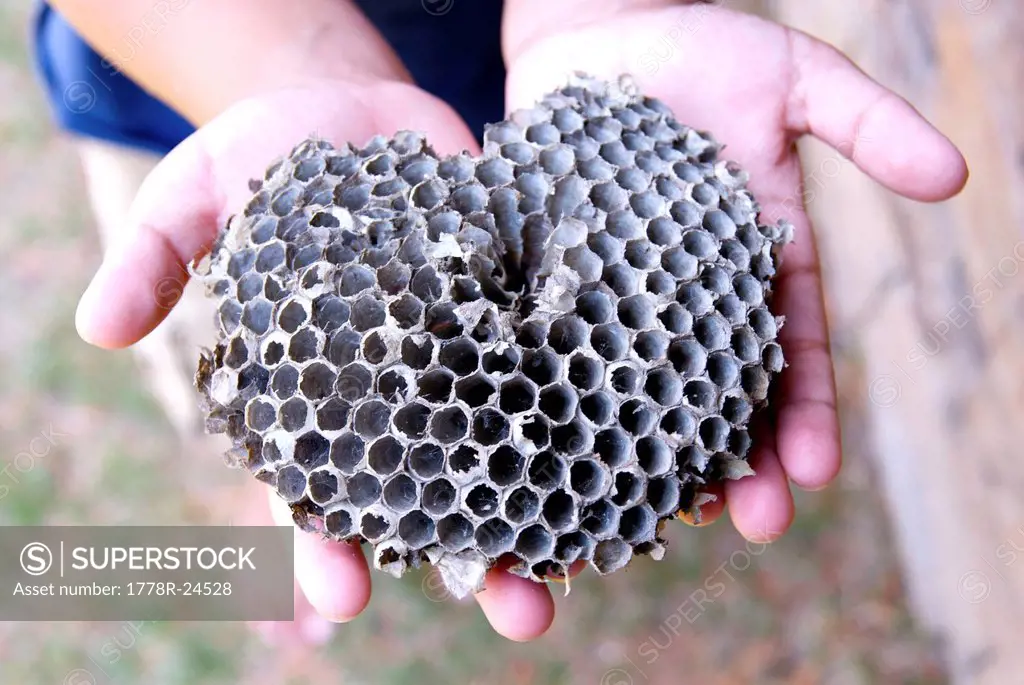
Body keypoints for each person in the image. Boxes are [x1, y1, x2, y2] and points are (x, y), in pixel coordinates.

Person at [32, 0, 968, 643]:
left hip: (538, 87)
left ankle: (295, 511)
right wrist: (286, 61)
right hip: (190, 78)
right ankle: (260, 518)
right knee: (243, 383)